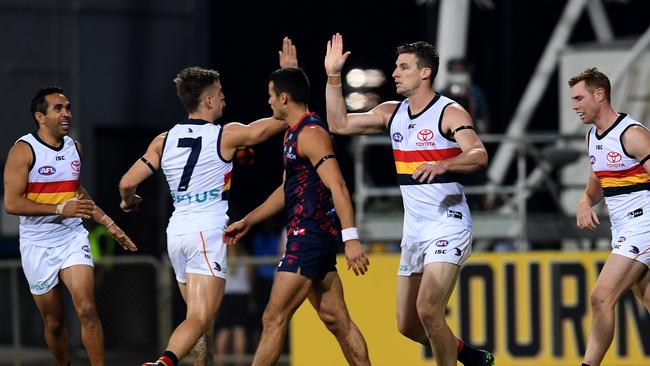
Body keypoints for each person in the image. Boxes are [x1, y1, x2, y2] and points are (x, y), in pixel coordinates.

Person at [118, 38, 294, 366]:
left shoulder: (164, 139)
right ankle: (163, 363)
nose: (225, 96)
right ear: (210, 99)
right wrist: (291, 77)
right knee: (199, 319)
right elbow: (284, 120)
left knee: (202, 325)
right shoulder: (226, 135)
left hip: (178, 234)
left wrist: (130, 201)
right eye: (221, 91)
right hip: (206, 232)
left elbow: (127, 182)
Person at [324, 33, 493, 366]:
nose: (395, 73)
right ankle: (470, 357)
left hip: (448, 225)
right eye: (396, 67)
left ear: (425, 73)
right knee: (408, 324)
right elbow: (338, 124)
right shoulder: (392, 113)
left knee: (429, 309)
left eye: (403, 67)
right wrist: (332, 76)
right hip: (414, 231)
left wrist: (445, 163)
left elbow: (478, 153)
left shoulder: (449, 112)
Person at [223, 61, 371, 365]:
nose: (268, 101)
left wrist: (352, 239)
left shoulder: (311, 133)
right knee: (337, 321)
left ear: (283, 98)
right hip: (308, 237)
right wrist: (248, 220)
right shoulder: (293, 134)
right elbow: (287, 191)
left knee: (273, 317)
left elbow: (339, 186)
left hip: (310, 237)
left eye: (270, 95)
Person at [3, 86, 137, 366]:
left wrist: (108, 222)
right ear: (40, 116)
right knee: (54, 323)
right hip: (36, 243)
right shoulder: (23, 150)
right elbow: (12, 204)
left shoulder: (75, 147)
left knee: (87, 308)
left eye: (67, 108)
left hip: (71, 237)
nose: (67, 113)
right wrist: (59, 208)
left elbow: (75, 191)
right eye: (58, 108)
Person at [570, 67, 650, 366]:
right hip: (623, 227)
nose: (574, 105)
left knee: (601, 297)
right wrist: (584, 202)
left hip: (644, 223)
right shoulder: (593, 137)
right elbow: (596, 185)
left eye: (579, 98)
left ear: (599, 94)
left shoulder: (633, 134)